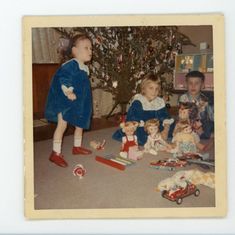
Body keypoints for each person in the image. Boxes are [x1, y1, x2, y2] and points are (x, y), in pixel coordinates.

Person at [45, 34, 93, 167]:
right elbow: (63, 77)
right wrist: (68, 90)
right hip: (65, 100)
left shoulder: (84, 67)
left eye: (91, 48)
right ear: (75, 50)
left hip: (77, 102)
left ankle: (76, 147)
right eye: (86, 48)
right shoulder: (71, 65)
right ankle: (55, 153)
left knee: (79, 124)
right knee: (62, 124)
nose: (90, 51)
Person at [112, 73, 174, 145]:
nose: (154, 92)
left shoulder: (159, 102)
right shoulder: (138, 101)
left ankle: (158, 136)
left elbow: (165, 116)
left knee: (173, 125)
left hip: (155, 126)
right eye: (151, 88)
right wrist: (138, 125)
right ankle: (153, 139)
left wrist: (165, 130)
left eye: (156, 89)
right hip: (142, 126)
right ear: (144, 88)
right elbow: (132, 120)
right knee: (140, 135)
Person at [178, 70, 214, 139]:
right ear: (186, 85)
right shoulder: (183, 98)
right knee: (178, 125)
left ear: (202, 85)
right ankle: (201, 134)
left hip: (201, 122)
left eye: (196, 83)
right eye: (190, 83)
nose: (193, 86)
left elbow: (210, 116)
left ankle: (205, 134)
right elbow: (182, 115)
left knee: (209, 124)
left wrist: (200, 125)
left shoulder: (205, 99)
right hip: (188, 120)